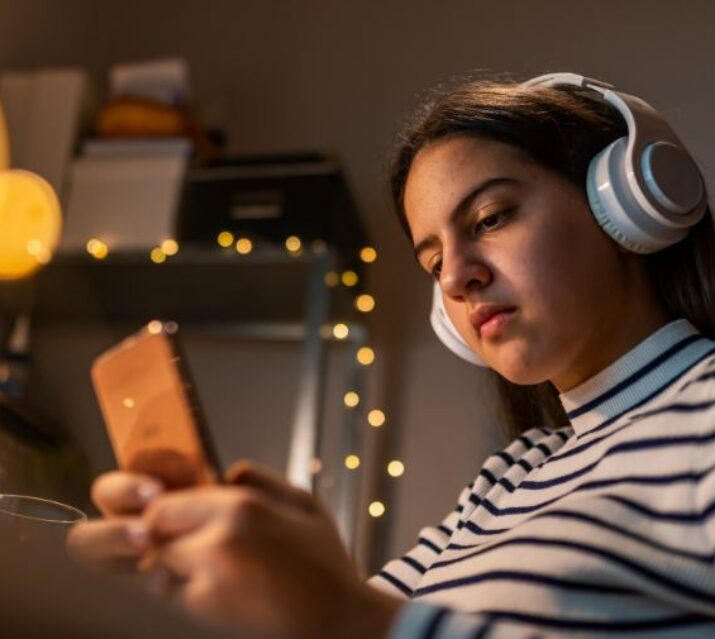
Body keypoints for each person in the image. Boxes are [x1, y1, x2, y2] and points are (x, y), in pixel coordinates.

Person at [66, 73, 715, 638]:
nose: (457, 276)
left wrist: (340, 616)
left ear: (623, 203)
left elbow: (361, 624)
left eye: (490, 217)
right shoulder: (510, 476)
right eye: (432, 262)